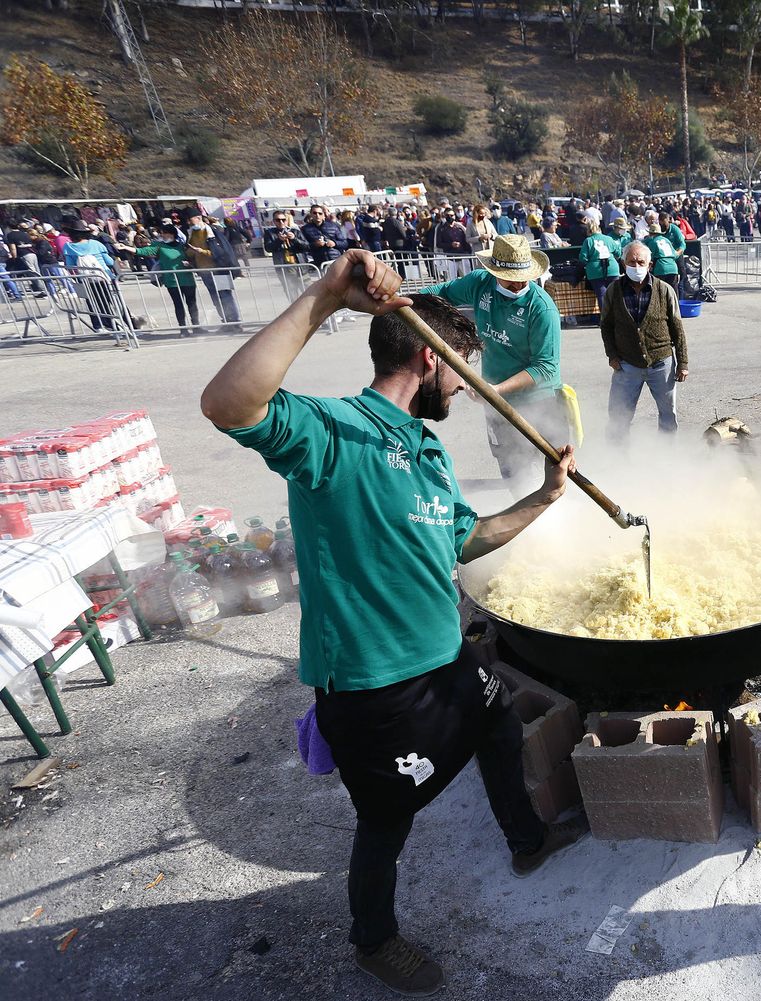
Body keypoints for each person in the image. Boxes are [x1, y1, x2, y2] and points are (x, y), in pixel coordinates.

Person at [199, 250, 580, 997]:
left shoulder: (428, 450)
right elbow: (228, 406)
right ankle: (374, 940)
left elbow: (464, 539)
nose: (466, 386)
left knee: (500, 721)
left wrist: (544, 498)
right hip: (373, 680)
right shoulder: (333, 432)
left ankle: (527, 840)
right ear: (427, 358)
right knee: (386, 818)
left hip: (444, 656)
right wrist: (325, 296)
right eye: (461, 369)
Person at [420, 233, 570, 494]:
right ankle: (523, 509)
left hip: (539, 400)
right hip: (495, 400)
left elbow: (545, 367)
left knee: (556, 468)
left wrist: (496, 390)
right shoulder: (480, 283)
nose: (518, 284)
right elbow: (440, 293)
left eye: (523, 277)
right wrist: (406, 301)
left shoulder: (541, 308)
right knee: (512, 467)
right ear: (494, 271)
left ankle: (562, 510)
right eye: (510, 278)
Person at [601, 241, 688, 441]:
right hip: (626, 364)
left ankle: (667, 452)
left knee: (668, 414)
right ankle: (616, 453)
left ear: (650, 265)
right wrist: (612, 355)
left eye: (641, 262)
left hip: (661, 363)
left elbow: (677, 328)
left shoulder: (665, 290)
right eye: (631, 262)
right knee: (618, 415)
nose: (636, 266)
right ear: (623, 264)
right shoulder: (614, 291)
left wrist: (683, 363)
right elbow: (606, 325)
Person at [131, 222, 200, 331]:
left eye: (164, 233)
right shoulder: (159, 246)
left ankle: (197, 327)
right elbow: (144, 251)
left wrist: (190, 263)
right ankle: (183, 329)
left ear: (172, 234)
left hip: (187, 279)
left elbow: (193, 259)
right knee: (178, 305)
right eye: (161, 233)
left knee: (192, 304)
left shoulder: (183, 246)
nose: (162, 235)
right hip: (172, 281)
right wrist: (127, 248)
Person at [579, 216, 621, 311]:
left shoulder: (588, 241)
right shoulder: (609, 239)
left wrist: (588, 264)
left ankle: (606, 317)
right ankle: (618, 315)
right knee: (615, 294)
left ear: (588, 230)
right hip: (612, 268)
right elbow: (618, 253)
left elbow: (582, 258)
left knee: (601, 295)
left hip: (595, 270)